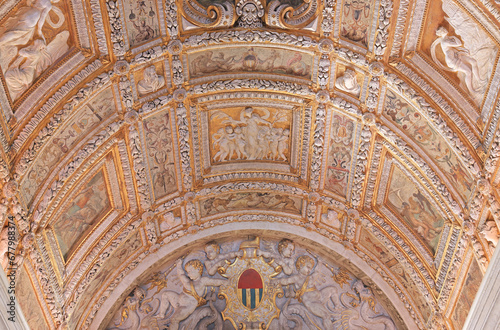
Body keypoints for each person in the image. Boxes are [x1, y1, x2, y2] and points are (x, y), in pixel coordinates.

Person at [157, 259, 226, 330]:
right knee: (165, 294)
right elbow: (181, 274)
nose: (188, 274)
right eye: (187, 272)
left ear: (198, 269)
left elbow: (214, 281)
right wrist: (179, 265)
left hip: (187, 306)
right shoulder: (188, 282)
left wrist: (225, 282)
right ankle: (161, 314)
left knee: (174, 319)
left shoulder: (202, 281)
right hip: (178, 300)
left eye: (190, 271)